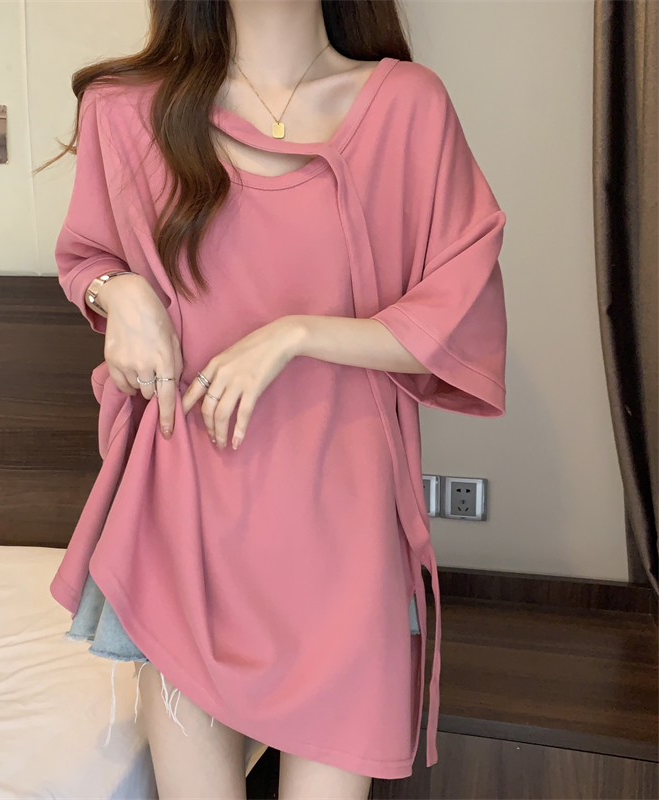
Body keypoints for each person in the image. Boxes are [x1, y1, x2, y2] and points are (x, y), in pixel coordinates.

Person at [36, 1, 508, 797]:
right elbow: (87, 256)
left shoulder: (407, 105)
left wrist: (296, 334)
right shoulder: (126, 110)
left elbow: (456, 311)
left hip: (343, 524)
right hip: (185, 519)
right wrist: (121, 294)